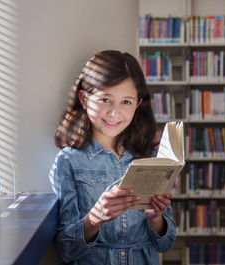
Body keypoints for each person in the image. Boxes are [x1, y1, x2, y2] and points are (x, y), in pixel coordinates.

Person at [49, 50, 176, 264]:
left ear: (137, 104)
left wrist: (156, 220)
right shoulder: (69, 161)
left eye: (126, 102)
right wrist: (94, 218)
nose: (114, 113)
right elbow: (66, 250)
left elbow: (166, 243)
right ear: (84, 98)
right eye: (105, 99)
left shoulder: (150, 157)